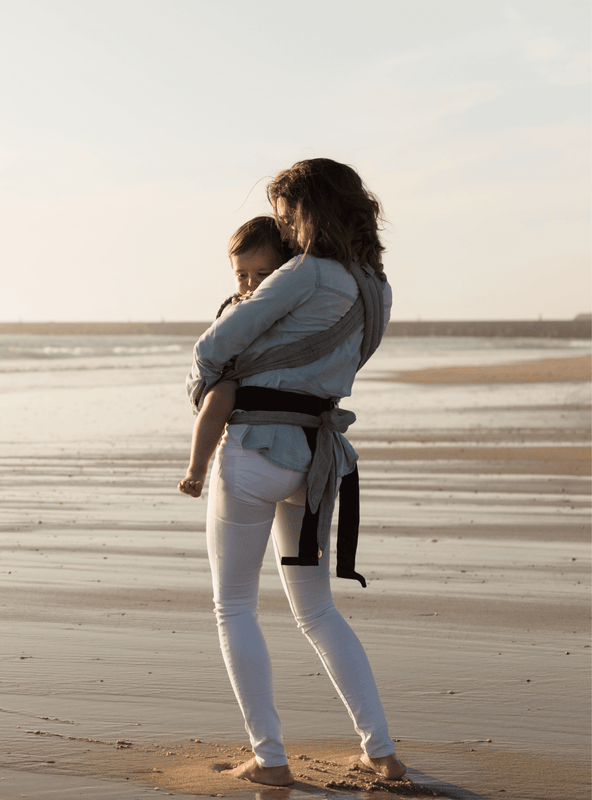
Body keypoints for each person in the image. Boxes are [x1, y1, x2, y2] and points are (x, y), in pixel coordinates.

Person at [185, 158, 405, 787]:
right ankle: (381, 750)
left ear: (308, 210)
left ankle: (270, 758)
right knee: (318, 612)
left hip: (255, 450)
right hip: (316, 461)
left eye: (285, 213)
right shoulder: (376, 287)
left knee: (234, 606)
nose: (281, 226)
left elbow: (214, 345)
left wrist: (211, 391)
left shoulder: (303, 273)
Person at [178, 216, 292, 498]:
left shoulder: (285, 299)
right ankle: (196, 469)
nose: (251, 283)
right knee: (219, 399)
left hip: (267, 379)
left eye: (263, 274)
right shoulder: (236, 304)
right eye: (242, 275)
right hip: (231, 376)